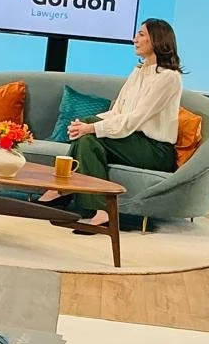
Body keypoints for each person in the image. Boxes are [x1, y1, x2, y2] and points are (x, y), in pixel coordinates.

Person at [40, 18, 183, 228]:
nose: (135, 39)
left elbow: (134, 119)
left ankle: (68, 191)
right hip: (132, 140)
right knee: (86, 137)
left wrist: (93, 128)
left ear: (157, 39)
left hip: (155, 150)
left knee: (89, 136)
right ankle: (88, 203)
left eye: (141, 34)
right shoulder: (138, 71)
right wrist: (87, 124)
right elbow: (117, 112)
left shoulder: (169, 78)